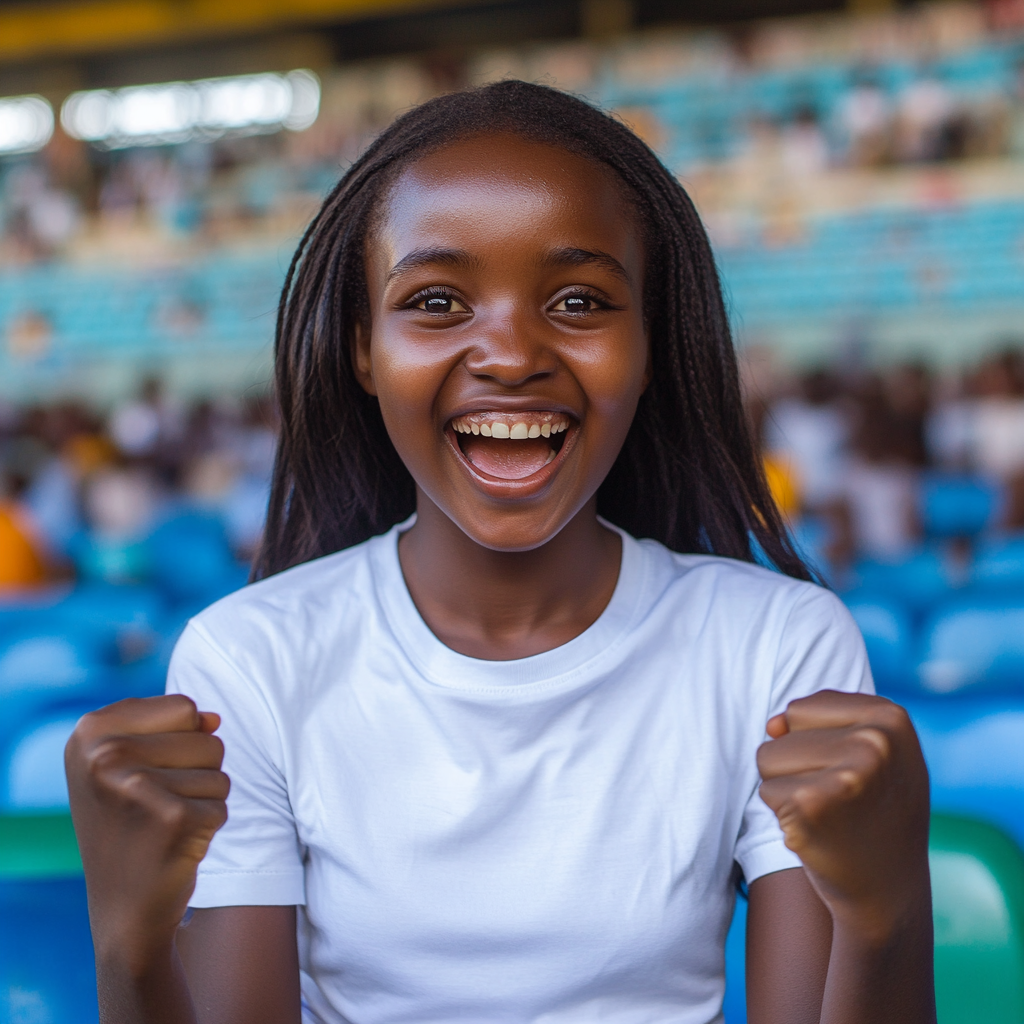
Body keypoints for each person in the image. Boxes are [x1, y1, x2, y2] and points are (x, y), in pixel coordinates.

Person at [65, 82, 934, 1024]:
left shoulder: (776, 646)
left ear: (649, 345)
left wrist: (886, 916)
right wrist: (128, 947)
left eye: (579, 300)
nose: (511, 352)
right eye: (436, 301)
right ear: (364, 347)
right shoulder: (251, 659)